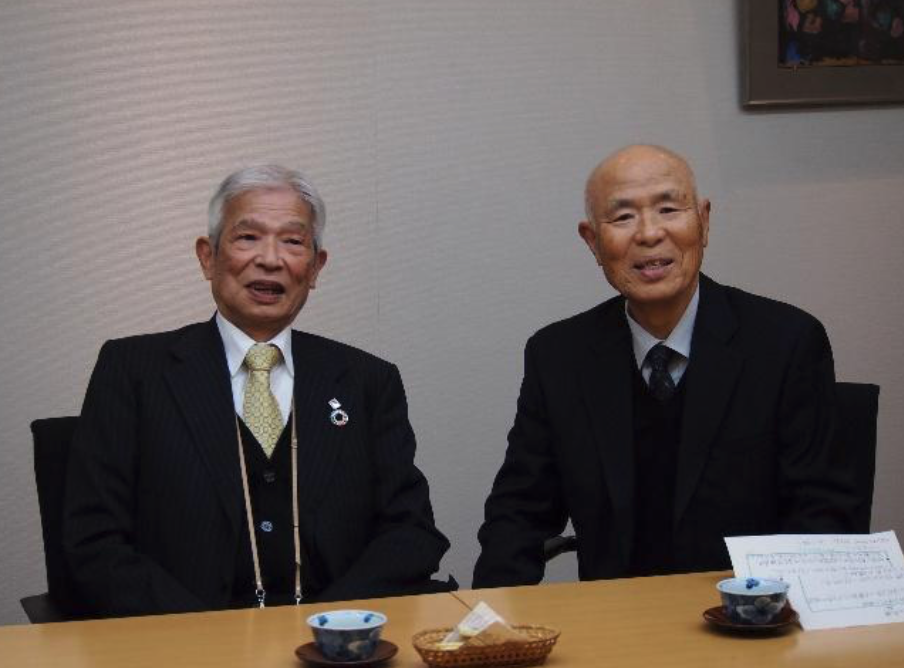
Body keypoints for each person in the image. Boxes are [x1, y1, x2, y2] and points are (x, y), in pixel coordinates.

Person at [64, 165, 453, 617]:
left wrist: (330, 625)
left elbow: (411, 532)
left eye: (293, 242)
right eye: (247, 237)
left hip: (335, 639)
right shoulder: (133, 371)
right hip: (187, 640)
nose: (270, 259)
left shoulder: (367, 381)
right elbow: (93, 540)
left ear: (316, 267)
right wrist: (203, 636)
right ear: (207, 257)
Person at [472, 144, 857, 588]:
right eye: (623, 217)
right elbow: (519, 512)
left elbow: (822, 516)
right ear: (592, 241)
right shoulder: (558, 356)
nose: (649, 233)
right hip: (617, 617)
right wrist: (491, 614)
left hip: (748, 613)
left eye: (669, 209)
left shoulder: (786, 343)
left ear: (704, 222)